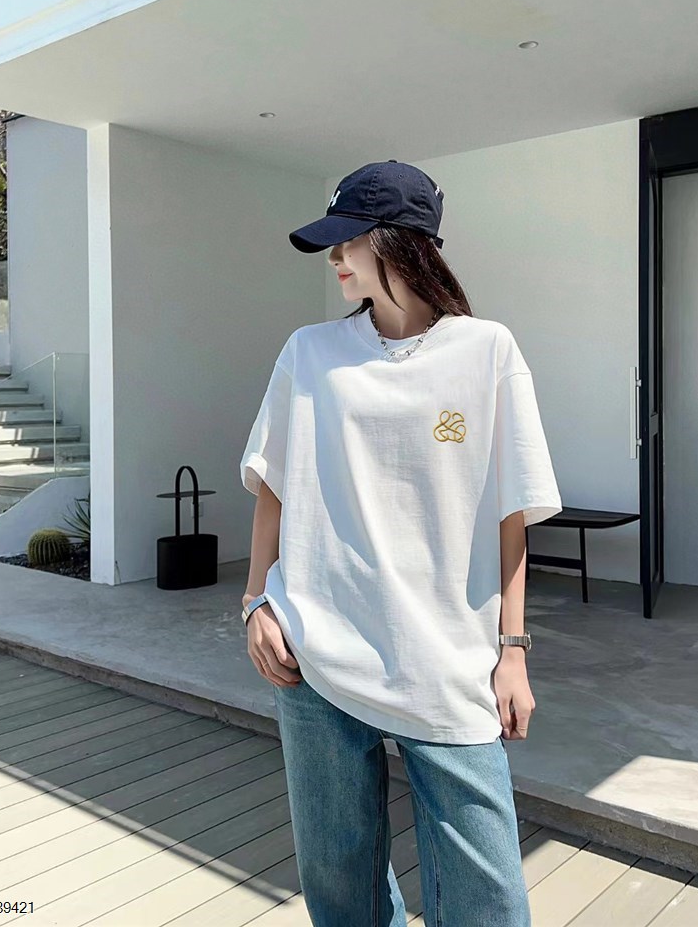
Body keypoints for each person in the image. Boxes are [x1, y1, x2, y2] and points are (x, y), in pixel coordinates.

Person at [239, 160, 562, 927]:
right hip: (314, 652)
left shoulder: (486, 350)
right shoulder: (309, 352)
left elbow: (510, 513)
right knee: (339, 882)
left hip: (446, 660)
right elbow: (275, 485)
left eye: (347, 239)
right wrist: (255, 601)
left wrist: (513, 650)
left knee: (488, 897)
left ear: (398, 241)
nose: (334, 256)